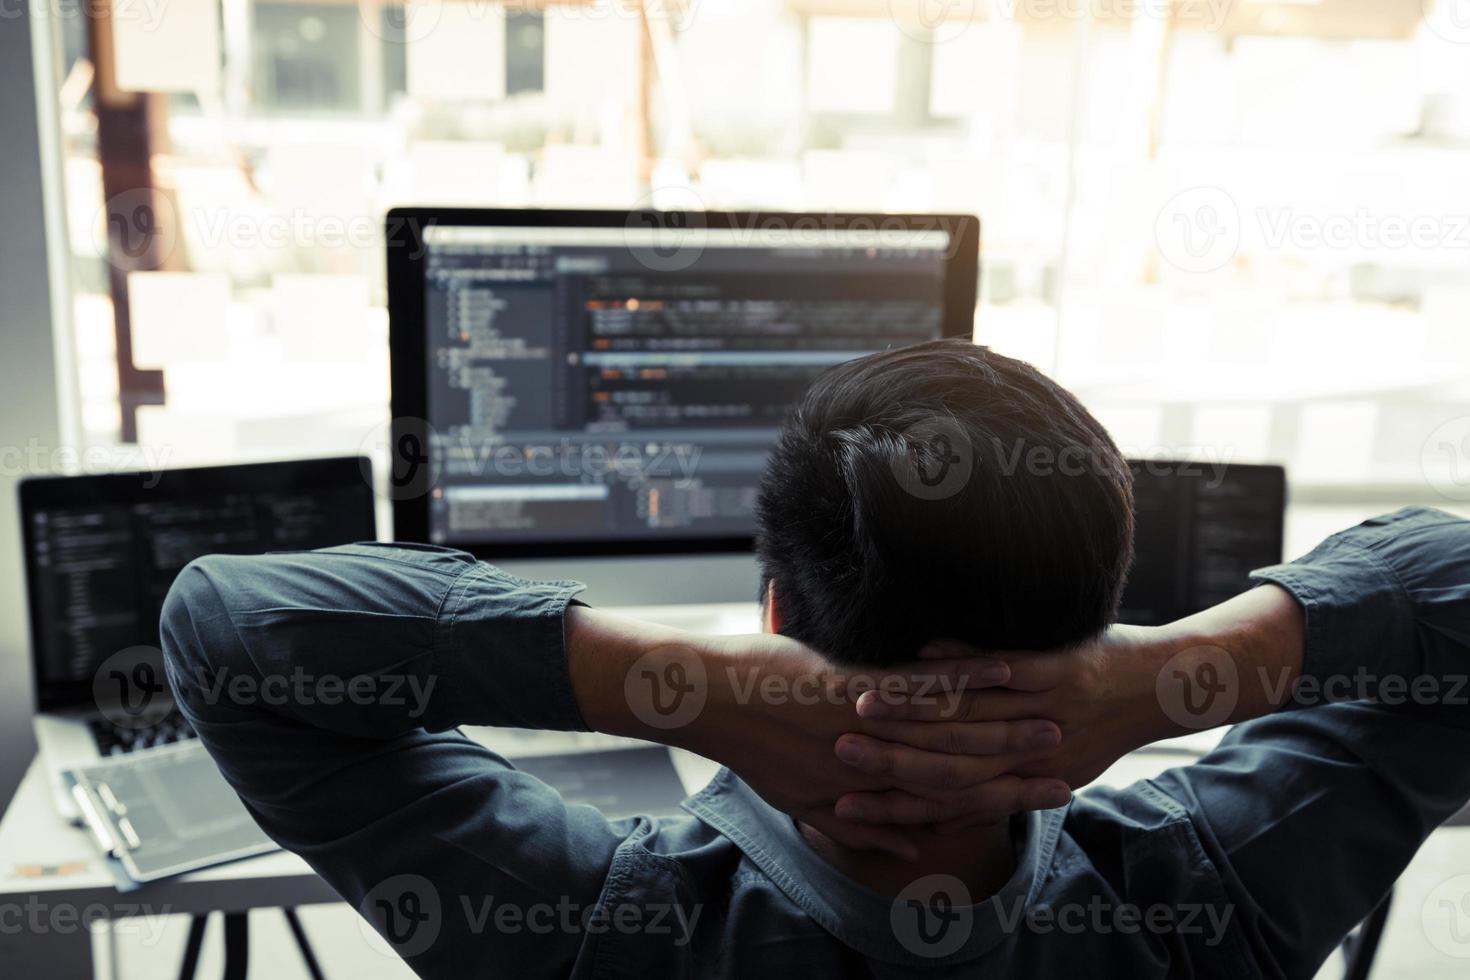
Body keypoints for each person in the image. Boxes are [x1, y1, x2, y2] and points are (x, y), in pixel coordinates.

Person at [160, 339, 1470, 978]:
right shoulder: (1218, 899)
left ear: (774, 611)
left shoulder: (600, 937)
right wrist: (1169, 677)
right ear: (1101, 616)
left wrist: (680, 691)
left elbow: (227, 630)